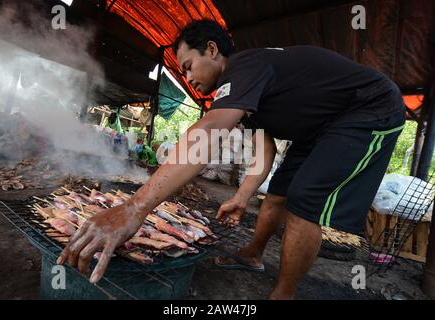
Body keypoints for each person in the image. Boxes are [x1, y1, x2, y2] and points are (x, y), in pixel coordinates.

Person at [57, 19, 406, 299]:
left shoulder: (245, 66)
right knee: (278, 194)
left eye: (189, 66)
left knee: (303, 203)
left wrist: (136, 207)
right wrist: (241, 197)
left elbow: (208, 130)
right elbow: (264, 149)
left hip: (368, 109)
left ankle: (284, 294)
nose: (189, 77)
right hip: (320, 128)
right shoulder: (248, 90)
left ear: (212, 50)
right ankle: (253, 255)